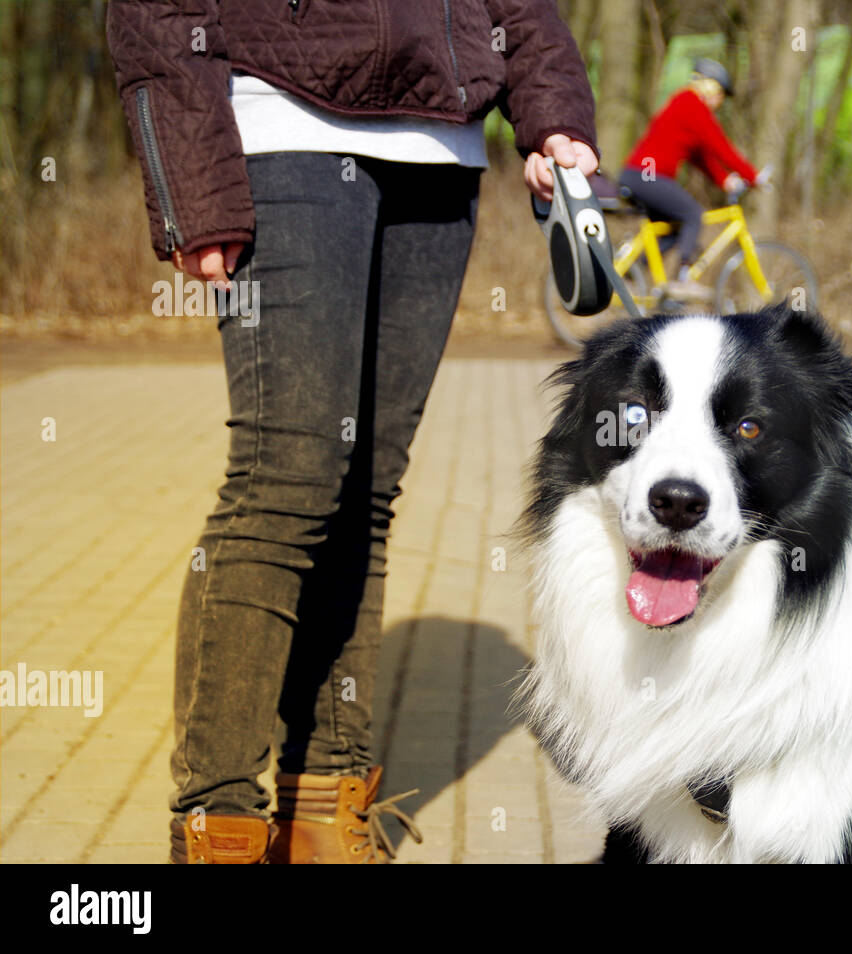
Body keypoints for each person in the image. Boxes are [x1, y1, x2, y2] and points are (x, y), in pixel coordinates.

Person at [106, 0, 598, 864]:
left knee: (366, 490)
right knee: (284, 482)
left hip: (439, 152)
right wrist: (190, 174)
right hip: (280, 128)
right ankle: (218, 821)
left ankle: (321, 803)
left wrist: (553, 116)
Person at [621, 59, 767, 301]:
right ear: (709, 87)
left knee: (672, 231)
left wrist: (724, 180)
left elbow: (701, 156)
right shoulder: (691, 104)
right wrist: (753, 176)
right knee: (692, 214)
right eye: (720, 94)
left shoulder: (686, 106)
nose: (720, 102)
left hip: (642, 177)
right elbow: (720, 146)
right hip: (646, 176)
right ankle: (682, 278)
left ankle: (628, 276)